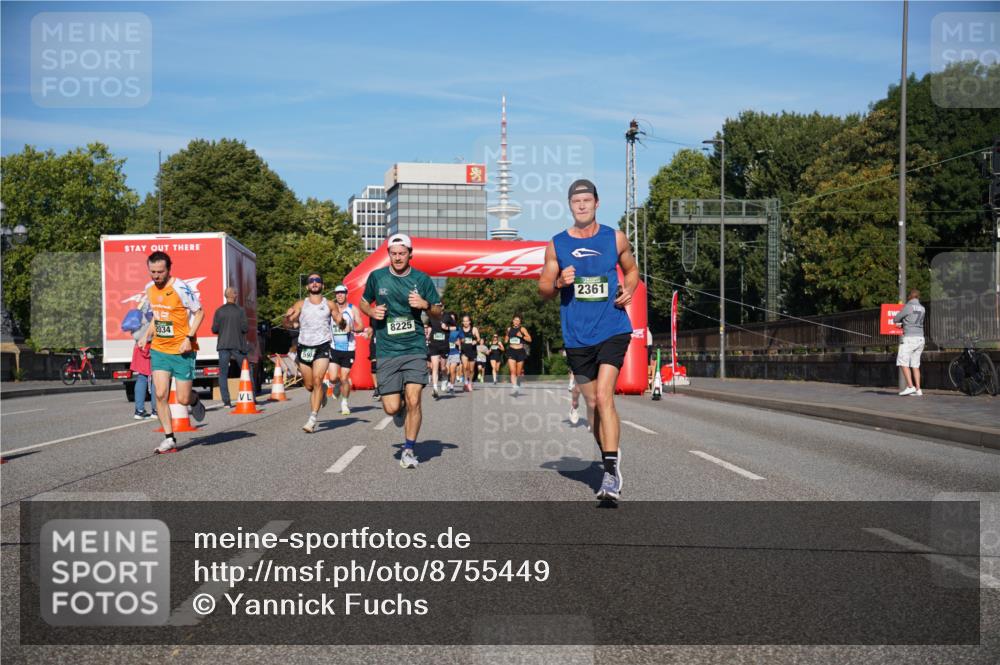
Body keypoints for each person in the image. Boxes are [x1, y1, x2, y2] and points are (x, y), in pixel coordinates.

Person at [539, 178, 639, 501]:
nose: (581, 205)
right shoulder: (557, 244)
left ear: (597, 203)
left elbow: (633, 270)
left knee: (605, 396)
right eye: (575, 201)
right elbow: (542, 290)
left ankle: (609, 473)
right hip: (577, 336)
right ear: (570, 206)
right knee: (593, 403)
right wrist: (557, 281)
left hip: (612, 328)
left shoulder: (616, 238)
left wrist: (630, 289)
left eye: (587, 200)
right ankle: (611, 455)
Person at [359, 233, 443, 469]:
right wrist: (371, 312)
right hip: (387, 350)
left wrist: (425, 305)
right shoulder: (377, 277)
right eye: (393, 254)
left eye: (402, 253)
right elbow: (364, 302)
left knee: (415, 399)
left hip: (414, 347)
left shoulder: (422, 279)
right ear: (388, 255)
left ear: (410, 254)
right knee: (392, 407)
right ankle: (400, 409)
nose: (397, 258)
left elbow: (438, 311)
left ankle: (408, 449)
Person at [145, 251, 207, 454]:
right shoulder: (150, 289)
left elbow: (200, 312)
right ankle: (169, 438)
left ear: (169, 269)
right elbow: (158, 315)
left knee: (182, 398)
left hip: (182, 351)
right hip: (160, 349)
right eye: (152, 271)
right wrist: (146, 334)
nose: (156, 276)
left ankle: (194, 399)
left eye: (160, 272)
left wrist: (189, 338)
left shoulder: (180, 287)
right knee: (160, 394)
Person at [282, 273, 344, 433]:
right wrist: (287, 317)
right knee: (310, 386)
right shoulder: (301, 304)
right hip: (304, 347)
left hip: (322, 346)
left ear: (322, 286)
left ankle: (312, 419)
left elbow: (339, 321)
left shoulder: (330, 304)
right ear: (307, 286)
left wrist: (341, 320)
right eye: (311, 281)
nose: (314, 283)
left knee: (317, 380)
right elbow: (289, 324)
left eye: (318, 281)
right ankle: (322, 390)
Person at [212, 286, 249, 408]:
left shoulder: (219, 311)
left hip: (223, 345)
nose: (237, 295)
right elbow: (245, 328)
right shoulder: (240, 311)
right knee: (246, 370)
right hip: (237, 345)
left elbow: (214, 329)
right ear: (233, 295)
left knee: (223, 373)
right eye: (236, 293)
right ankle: (251, 397)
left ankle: (226, 402)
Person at [328, 284, 362, 415]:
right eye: (337, 293)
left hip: (348, 349)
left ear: (346, 294)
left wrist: (352, 328)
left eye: (342, 292)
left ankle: (345, 403)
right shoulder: (331, 310)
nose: (340, 295)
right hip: (334, 348)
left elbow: (361, 326)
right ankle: (335, 385)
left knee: (344, 377)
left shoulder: (353, 309)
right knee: (332, 378)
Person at [894, 288, 926, 396]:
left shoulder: (908, 307)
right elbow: (913, 321)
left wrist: (900, 323)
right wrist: (905, 323)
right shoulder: (922, 308)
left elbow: (896, 318)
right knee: (915, 365)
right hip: (920, 338)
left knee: (902, 361)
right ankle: (918, 389)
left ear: (910, 297)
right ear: (918, 297)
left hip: (910, 338)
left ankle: (910, 386)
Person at [130, 306, 157, 420]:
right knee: (157, 377)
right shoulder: (157, 303)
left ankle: (139, 410)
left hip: (139, 344)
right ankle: (156, 410)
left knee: (142, 377)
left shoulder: (142, 306)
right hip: (154, 344)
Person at [427, 310, 453, 398]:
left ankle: (445, 378)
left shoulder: (447, 316)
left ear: (443, 306)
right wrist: (428, 334)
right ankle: (435, 389)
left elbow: (455, 327)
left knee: (443, 367)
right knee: (434, 367)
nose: (438, 307)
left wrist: (447, 328)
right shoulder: (431, 316)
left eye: (440, 305)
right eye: (436, 305)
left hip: (444, 345)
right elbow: (430, 327)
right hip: (434, 344)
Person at [504, 315, 532, 396]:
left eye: (518, 320)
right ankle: (514, 386)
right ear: (512, 321)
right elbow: (506, 338)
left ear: (520, 322)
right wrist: (506, 339)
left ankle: (517, 384)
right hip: (511, 350)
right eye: (515, 320)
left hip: (520, 351)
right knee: (512, 371)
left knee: (518, 373)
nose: (516, 321)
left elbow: (530, 339)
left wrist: (522, 336)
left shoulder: (522, 329)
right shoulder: (509, 329)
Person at [458, 314, 482, 392]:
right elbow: (458, 339)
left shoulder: (474, 329)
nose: (465, 323)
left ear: (470, 321)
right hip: (464, 351)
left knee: (471, 369)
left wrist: (476, 341)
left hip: (472, 351)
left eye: (467, 321)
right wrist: (460, 342)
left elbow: (479, 338)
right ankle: (465, 382)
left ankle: (470, 383)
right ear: (462, 322)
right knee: (465, 367)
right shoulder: (460, 329)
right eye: (464, 321)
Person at [446, 313, 463, 394]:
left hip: (455, 352)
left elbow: (463, 339)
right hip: (445, 352)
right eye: (450, 318)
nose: (451, 320)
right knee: (447, 371)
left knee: (452, 370)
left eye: (453, 318)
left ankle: (452, 387)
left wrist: (459, 342)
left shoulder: (458, 329)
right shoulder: (445, 328)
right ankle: (447, 382)